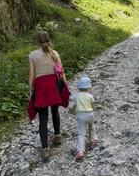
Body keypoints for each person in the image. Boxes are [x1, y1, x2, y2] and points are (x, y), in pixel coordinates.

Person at [27, 31, 70, 161]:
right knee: (55, 110)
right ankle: (57, 136)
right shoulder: (54, 53)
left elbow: (31, 74)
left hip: (41, 86)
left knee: (43, 117)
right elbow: (61, 72)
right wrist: (65, 87)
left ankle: (46, 149)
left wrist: (30, 90)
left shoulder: (32, 55)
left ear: (37, 41)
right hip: (54, 85)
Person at [70, 77, 98, 160]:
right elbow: (92, 105)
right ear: (89, 87)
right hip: (90, 114)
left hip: (81, 116)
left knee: (81, 133)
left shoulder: (77, 96)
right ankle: (93, 140)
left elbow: (70, 99)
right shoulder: (90, 96)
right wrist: (92, 109)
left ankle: (80, 151)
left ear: (79, 87)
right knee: (91, 127)